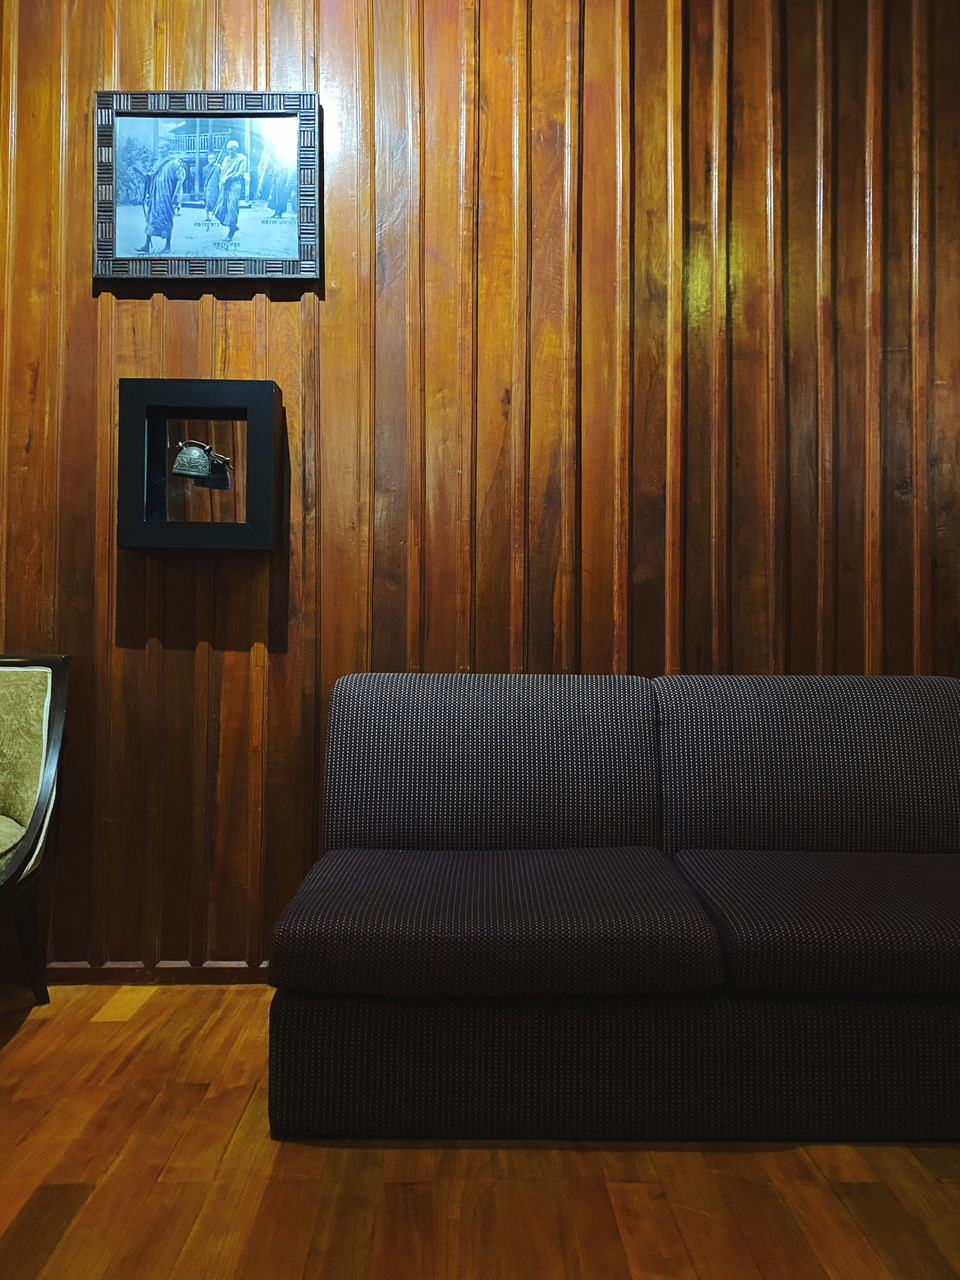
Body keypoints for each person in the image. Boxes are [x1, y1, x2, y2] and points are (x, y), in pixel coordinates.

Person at [135, 138, 185, 255]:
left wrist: (176, 195)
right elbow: (150, 177)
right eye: (159, 147)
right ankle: (146, 245)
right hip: (155, 195)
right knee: (151, 218)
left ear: (168, 149)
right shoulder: (157, 163)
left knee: (166, 219)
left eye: (163, 147)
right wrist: (141, 173)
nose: (161, 149)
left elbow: (180, 179)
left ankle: (167, 246)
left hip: (166, 197)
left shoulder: (174, 163)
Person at [213, 139, 248, 241]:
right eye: (228, 149)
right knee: (221, 208)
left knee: (232, 208)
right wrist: (222, 181)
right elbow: (222, 173)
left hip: (234, 186)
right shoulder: (226, 159)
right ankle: (233, 227)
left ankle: (231, 232)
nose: (230, 151)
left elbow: (240, 173)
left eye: (232, 149)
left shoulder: (241, 158)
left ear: (236, 149)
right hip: (224, 186)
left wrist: (229, 178)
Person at [202, 152, 221, 226]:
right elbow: (204, 178)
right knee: (207, 201)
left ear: (215, 159)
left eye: (213, 158)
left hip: (215, 186)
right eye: (210, 158)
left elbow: (220, 176)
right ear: (208, 159)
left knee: (215, 201)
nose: (211, 160)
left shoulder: (218, 167)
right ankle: (207, 217)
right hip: (208, 187)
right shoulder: (205, 168)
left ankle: (215, 216)